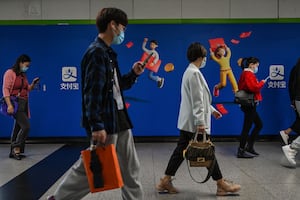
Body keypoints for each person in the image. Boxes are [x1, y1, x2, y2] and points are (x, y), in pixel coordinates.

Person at [47, 7, 144, 200]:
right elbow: (92, 93)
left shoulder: (108, 54)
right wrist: (96, 125)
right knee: (93, 167)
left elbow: (114, 87)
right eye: (122, 28)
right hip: (106, 121)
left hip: (121, 119)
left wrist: (133, 74)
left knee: (130, 169)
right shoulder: (96, 53)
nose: (123, 33)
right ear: (112, 25)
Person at [156, 42, 241, 196]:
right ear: (200, 57)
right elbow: (197, 100)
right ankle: (221, 184)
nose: (205, 60)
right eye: (204, 57)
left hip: (188, 122)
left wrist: (212, 110)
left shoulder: (190, 71)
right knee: (208, 152)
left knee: (181, 151)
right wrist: (201, 123)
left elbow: (200, 99)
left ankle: (165, 180)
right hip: (194, 124)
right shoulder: (194, 73)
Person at [2, 54, 39, 160]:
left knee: (18, 127)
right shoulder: (10, 73)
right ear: (20, 62)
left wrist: (33, 83)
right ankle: (15, 147)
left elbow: (27, 88)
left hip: (24, 103)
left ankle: (13, 152)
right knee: (26, 126)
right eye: (26, 65)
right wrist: (9, 105)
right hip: (15, 103)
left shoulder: (23, 75)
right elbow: (5, 89)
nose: (26, 67)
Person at [236, 57, 267, 158]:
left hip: (248, 104)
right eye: (256, 65)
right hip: (249, 104)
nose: (257, 68)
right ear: (251, 65)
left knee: (258, 124)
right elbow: (253, 87)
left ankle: (249, 146)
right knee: (247, 127)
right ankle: (241, 150)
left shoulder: (246, 73)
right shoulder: (248, 74)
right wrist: (262, 83)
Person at [279, 58, 300, 145]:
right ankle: (293, 146)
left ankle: (287, 133)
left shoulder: (295, 69)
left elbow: (291, 85)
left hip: (296, 99)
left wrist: (292, 100)